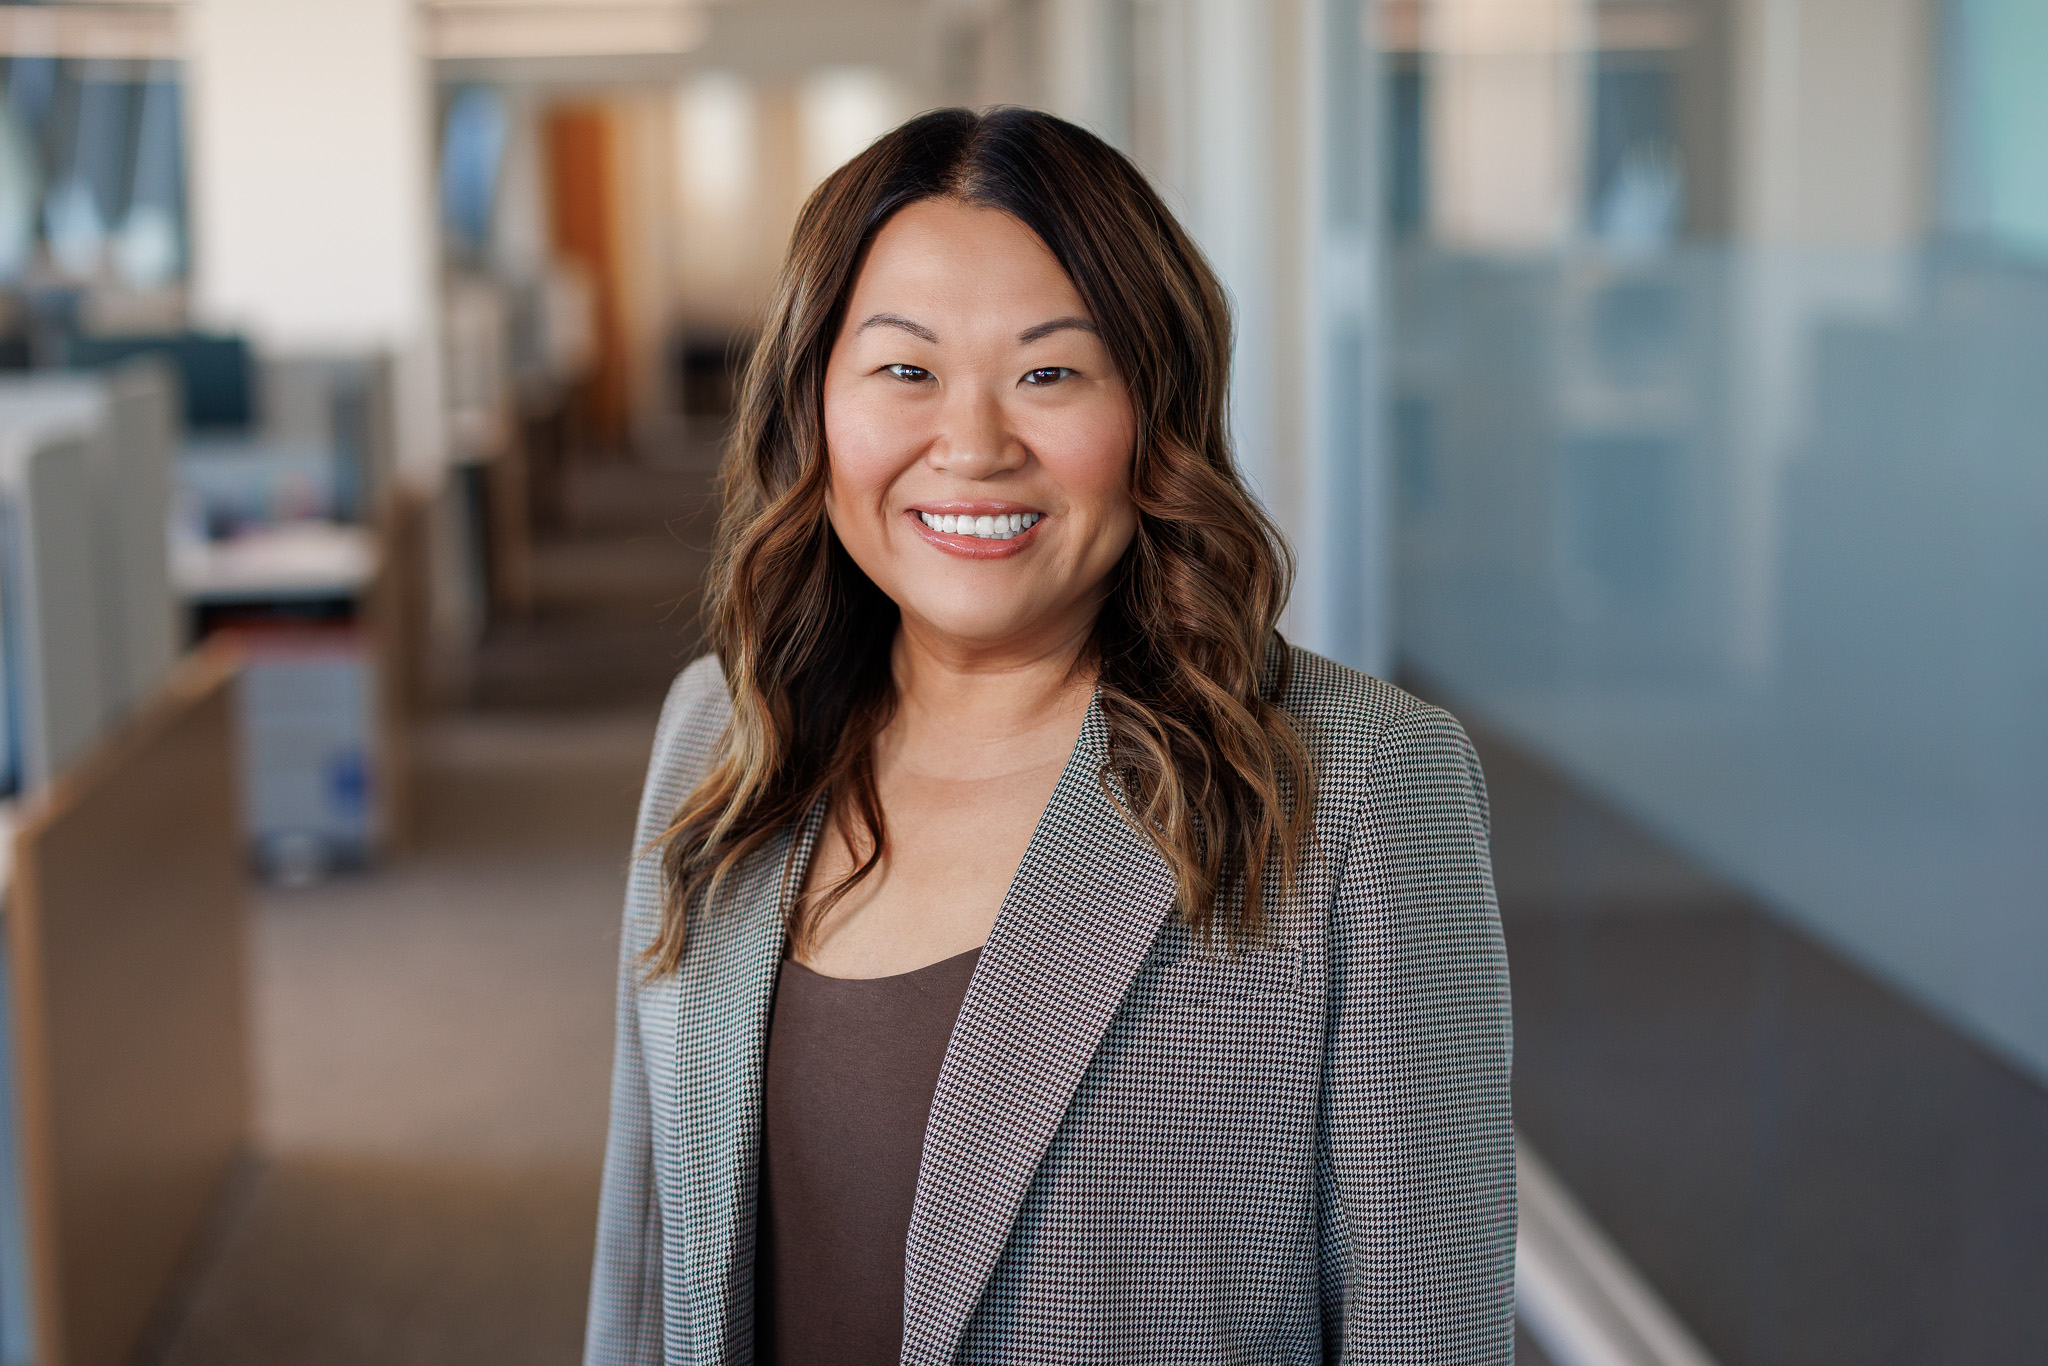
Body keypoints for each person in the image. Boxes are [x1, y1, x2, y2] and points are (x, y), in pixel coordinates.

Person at [585, 106, 1513, 1366]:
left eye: (1049, 372)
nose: (970, 446)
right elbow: (648, 1273)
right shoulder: (722, 727)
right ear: (815, 404)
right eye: (904, 370)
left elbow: (1427, 1337)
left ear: (1153, 413)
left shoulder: (1357, 789)